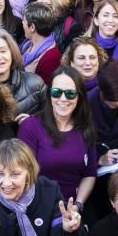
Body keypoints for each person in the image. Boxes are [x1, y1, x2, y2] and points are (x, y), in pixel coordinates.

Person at [18, 67, 98, 205]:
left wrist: (78, 205)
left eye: (70, 94)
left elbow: (89, 174)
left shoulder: (85, 127)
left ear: (79, 97)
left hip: (74, 205)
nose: (63, 99)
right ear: (49, 94)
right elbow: (24, 173)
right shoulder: (30, 126)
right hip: (39, 205)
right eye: (56, 92)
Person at [0, 28, 46, 119]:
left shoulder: (35, 83)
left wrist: (32, 123)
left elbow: (50, 118)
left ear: (12, 54)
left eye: (3, 51)